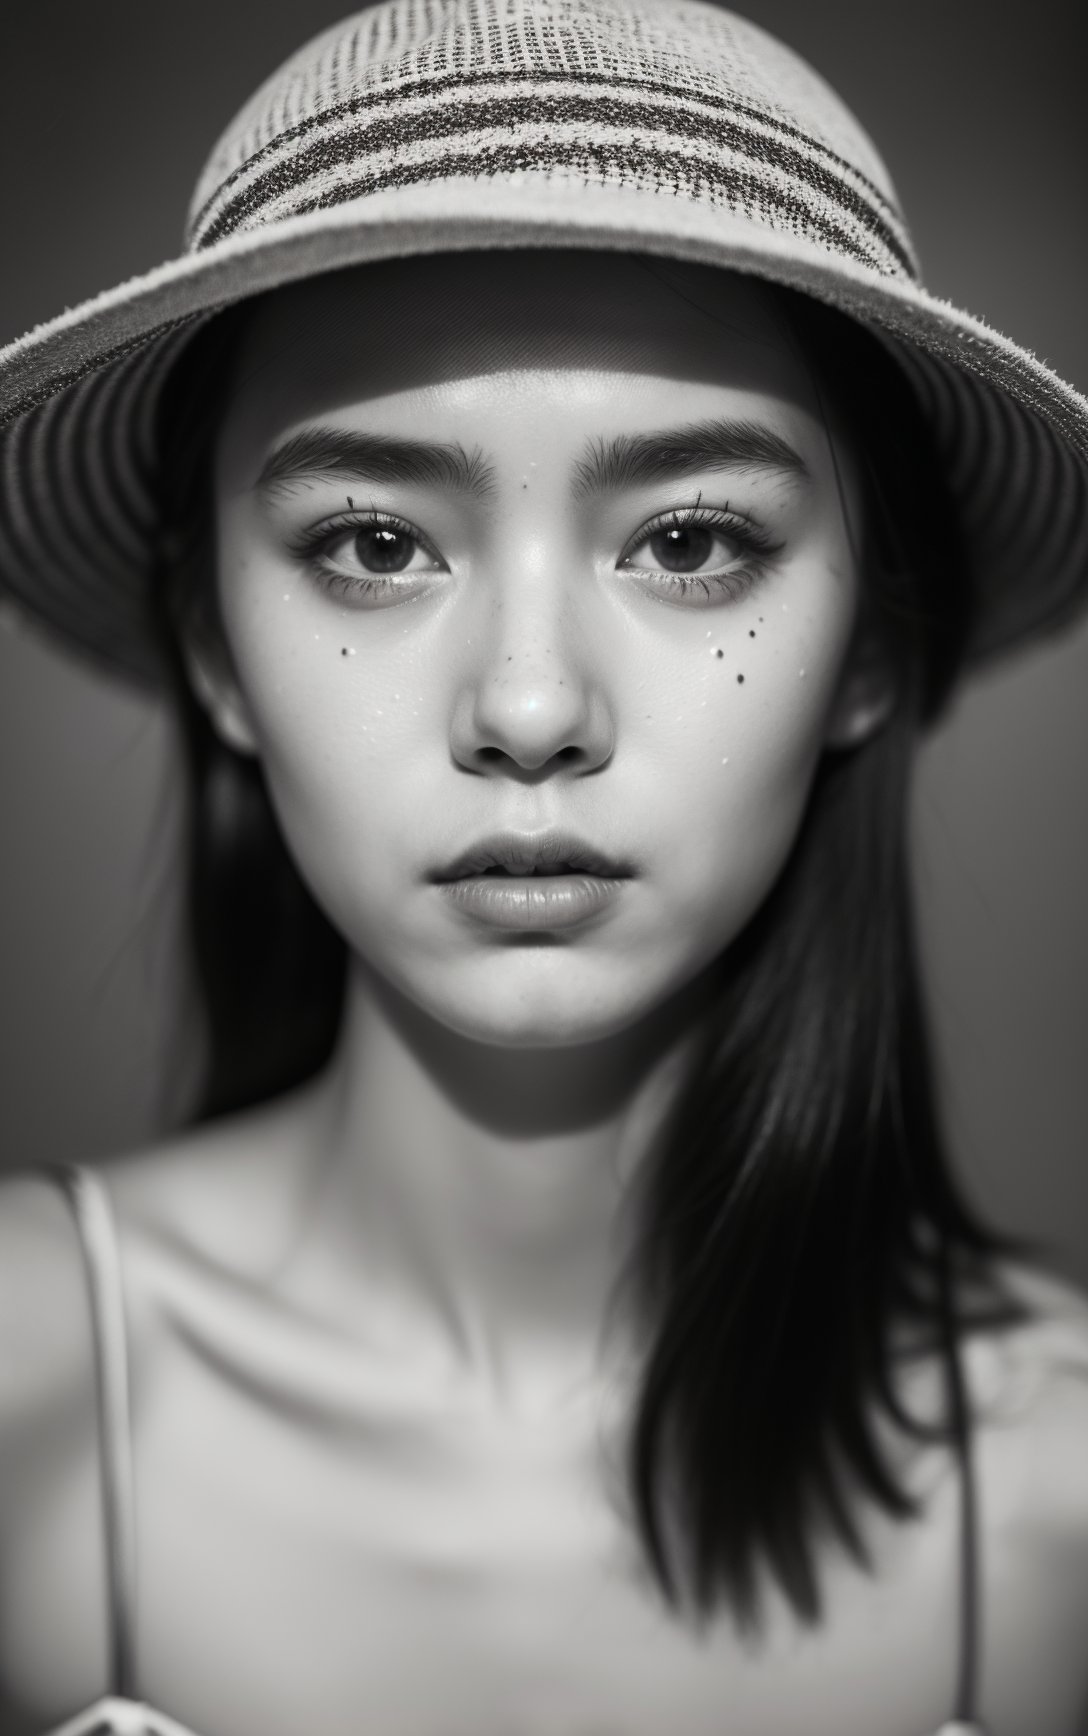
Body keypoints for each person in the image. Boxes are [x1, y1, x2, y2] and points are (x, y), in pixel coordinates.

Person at [1, 2, 1087, 1733]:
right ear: (213, 643)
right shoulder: (28, 1401)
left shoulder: (1059, 1501)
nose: (527, 705)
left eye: (689, 539)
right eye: (371, 542)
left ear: (869, 647)